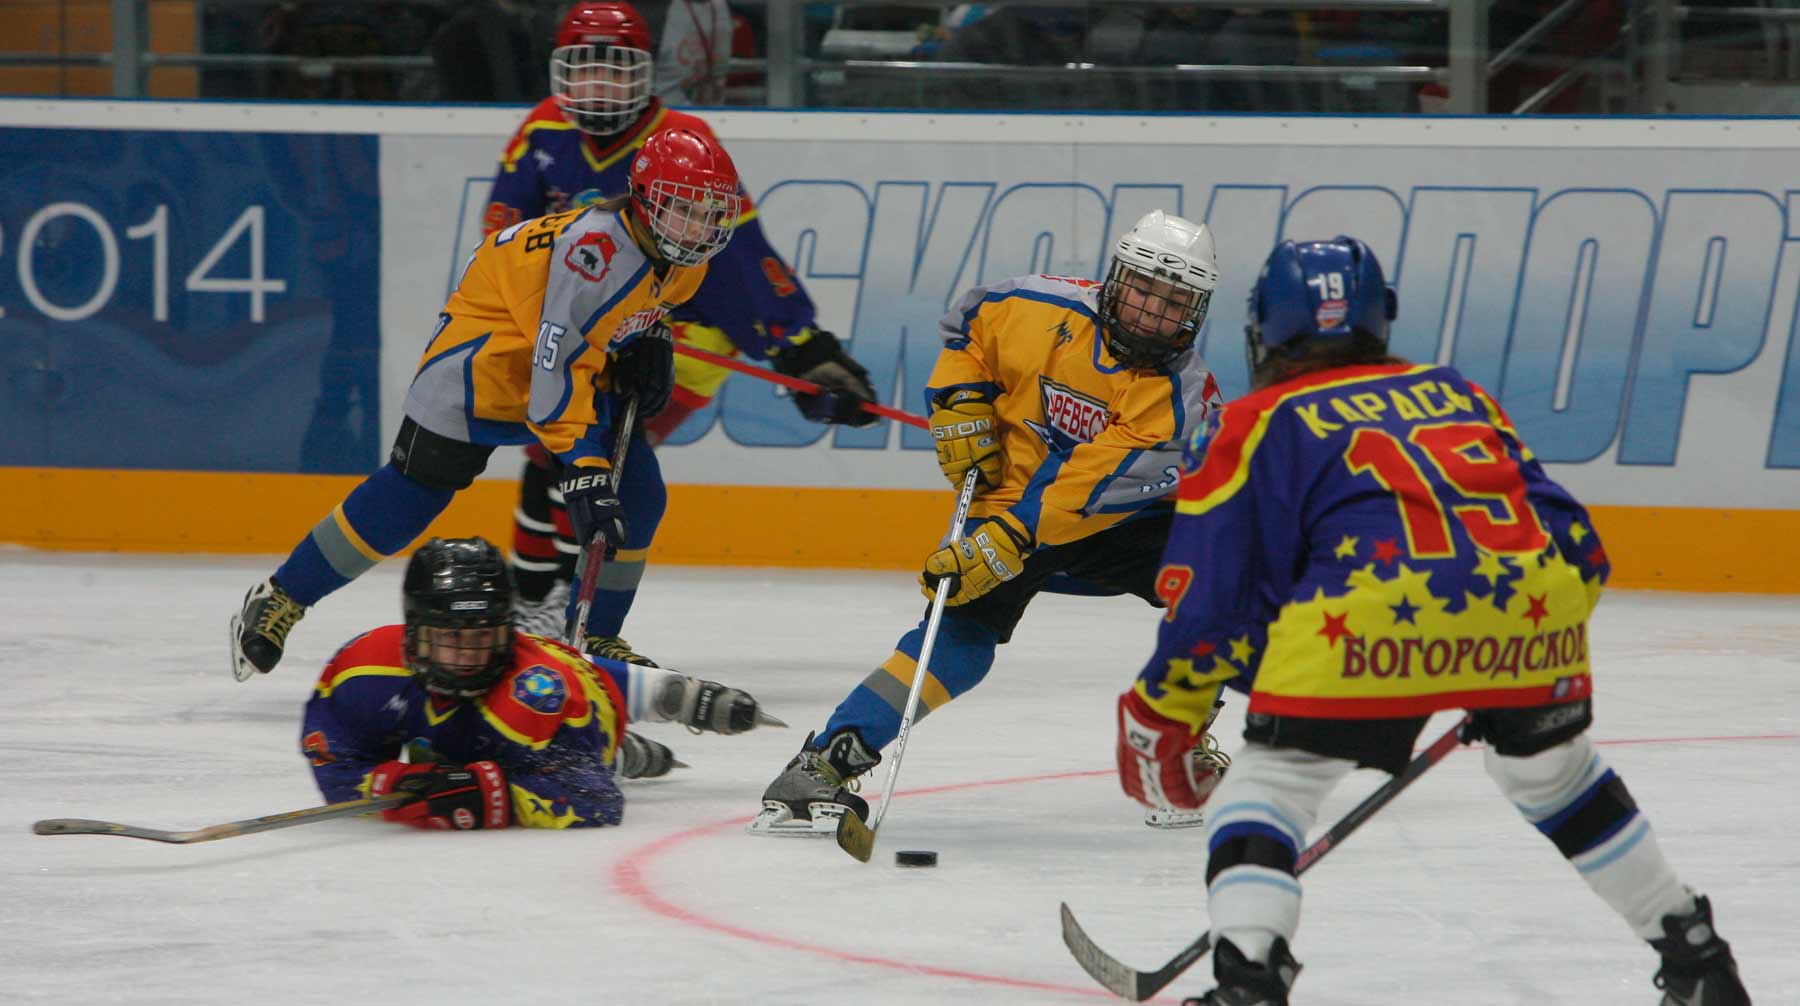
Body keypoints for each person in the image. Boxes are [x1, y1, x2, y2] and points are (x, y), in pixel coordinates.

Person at [1116, 236, 1751, 1005]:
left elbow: (1211, 598)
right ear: (1379, 320)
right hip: (1531, 608)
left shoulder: (1257, 420)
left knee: (1274, 782)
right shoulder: (1457, 393)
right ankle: (1698, 959)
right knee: (1555, 773)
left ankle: (1248, 978)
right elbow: (1578, 545)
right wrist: (1500, 654)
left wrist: (1164, 709)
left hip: (1360, 623)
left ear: (1267, 332)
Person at [748, 209, 1226, 836]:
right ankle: (825, 762)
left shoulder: (1182, 397)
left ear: (1195, 311)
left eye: (1173, 302)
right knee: (959, 639)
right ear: (1114, 278)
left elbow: (1087, 488)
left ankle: (1176, 748)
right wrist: (960, 399)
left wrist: (1004, 539)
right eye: (1143, 288)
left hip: (1129, 518)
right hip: (1014, 498)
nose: (1151, 312)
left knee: (1217, 591)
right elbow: (967, 335)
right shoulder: (1031, 305)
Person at [229, 124, 743, 681]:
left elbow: (605, 330)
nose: (695, 228)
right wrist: (586, 470)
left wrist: (647, 339)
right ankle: (282, 597)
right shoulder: (593, 255)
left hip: (561, 364)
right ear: (645, 202)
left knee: (638, 493)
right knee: (412, 493)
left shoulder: (686, 262)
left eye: (706, 213)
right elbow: (555, 371)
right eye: (681, 210)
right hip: (485, 359)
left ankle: (596, 637)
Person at [487, 1, 880, 663]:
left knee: (600, 457)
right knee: (553, 455)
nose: (600, 86)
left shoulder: (683, 139)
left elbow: (743, 256)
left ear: (646, 73)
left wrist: (801, 348)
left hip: (683, 343)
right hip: (583, 335)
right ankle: (538, 604)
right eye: (585, 68)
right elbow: (504, 245)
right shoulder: (539, 133)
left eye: (617, 68)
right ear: (560, 72)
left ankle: (565, 607)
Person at [302, 537, 777, 829]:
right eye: (450, 638)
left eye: (484, 638)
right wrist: (406, 783)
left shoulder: (537, 693)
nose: (467, 657)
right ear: (414, 631)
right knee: (452, 752)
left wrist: (493, 798)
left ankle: (642, 733)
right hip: (515, 709)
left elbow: (593, 798)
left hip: (582, 704)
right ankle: (636, 742)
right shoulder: (362, 670)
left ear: (508, 632)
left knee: (620, 726)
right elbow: (336, 766)